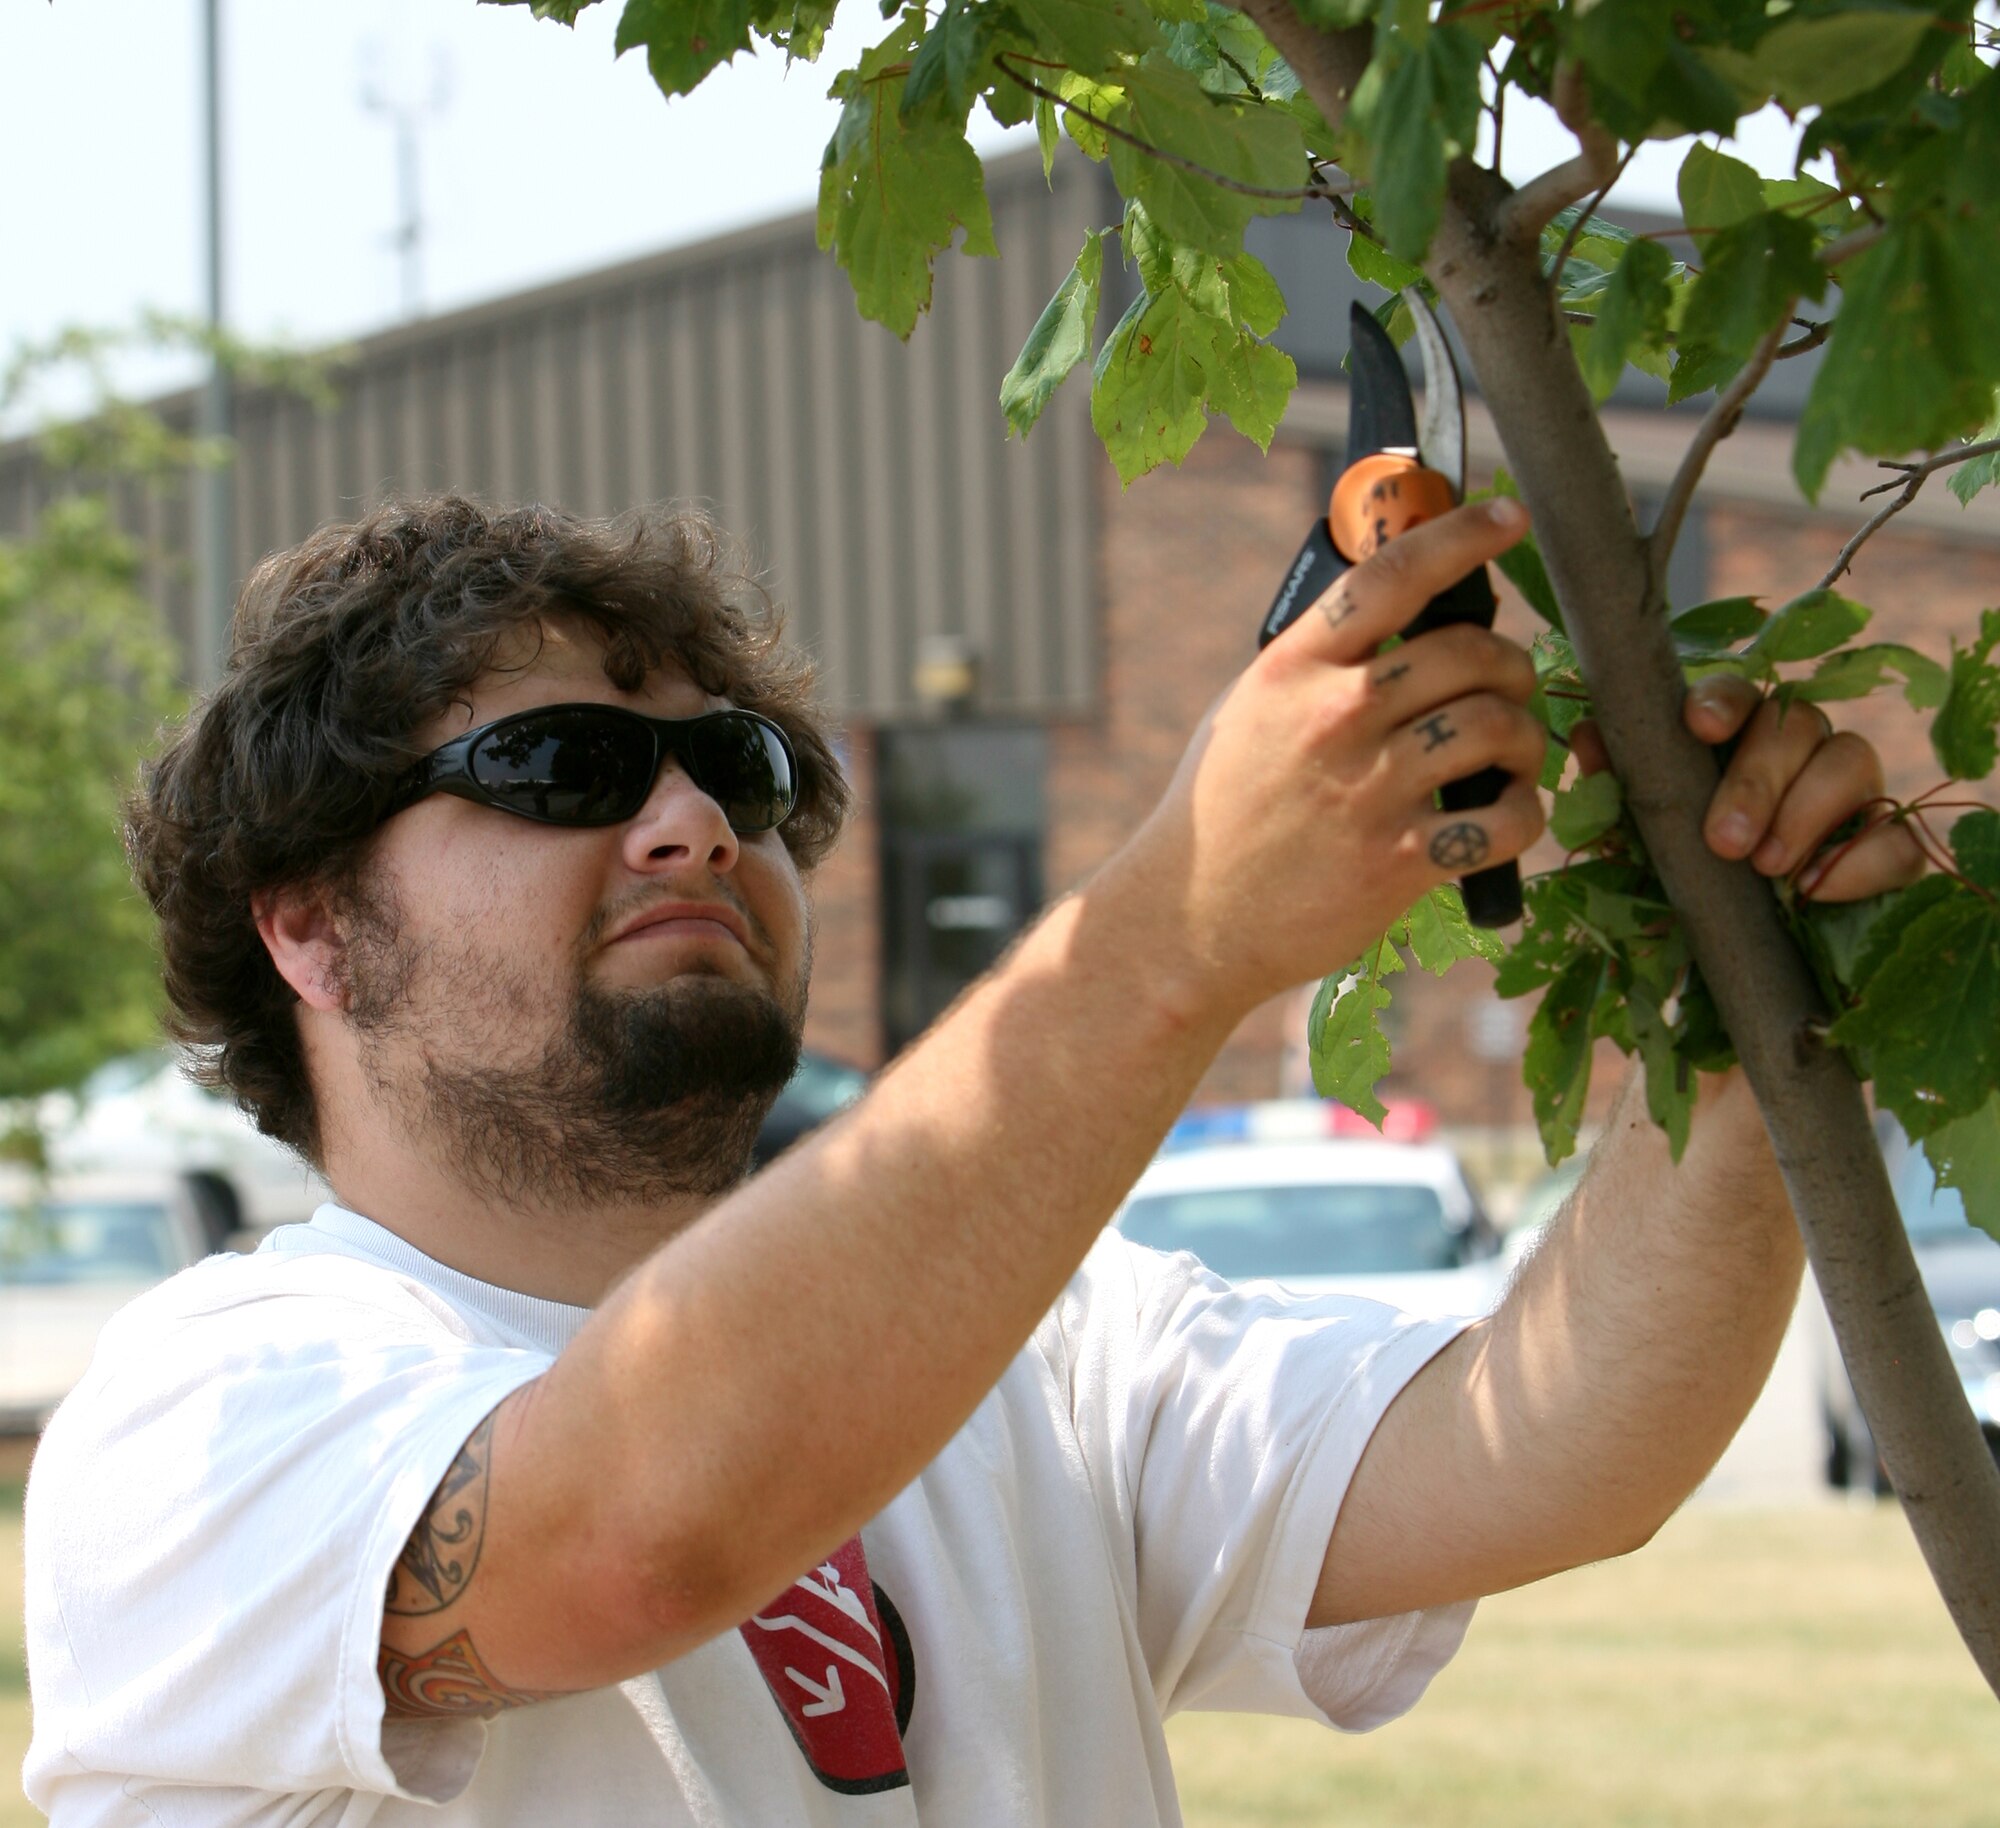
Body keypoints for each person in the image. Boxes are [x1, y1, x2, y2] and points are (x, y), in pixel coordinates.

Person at [24, 493, 1918, 1825]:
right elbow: (626, 1539)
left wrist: (1736, 1019)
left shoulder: (1022, 1340)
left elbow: (1562, 1450)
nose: (690, 819)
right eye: (560, 771)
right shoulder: (207, 1417)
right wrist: (1176, 927)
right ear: (307, 929)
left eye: (741, 770)